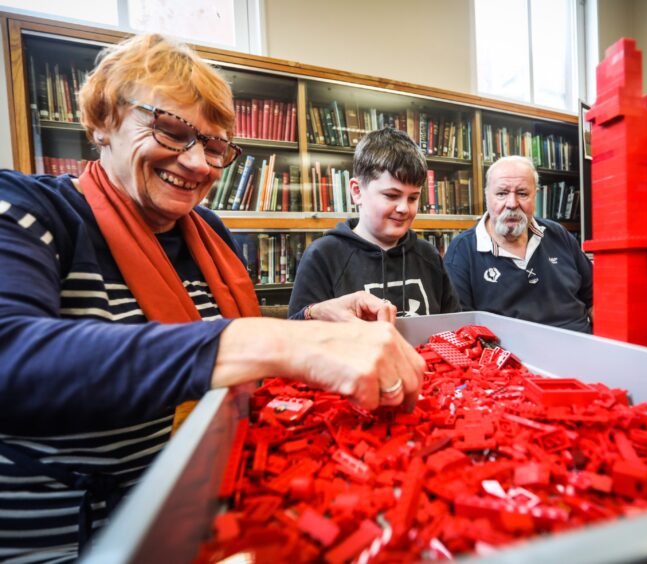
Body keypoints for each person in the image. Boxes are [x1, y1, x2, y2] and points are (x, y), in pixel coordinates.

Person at [0, 34, 424, 561]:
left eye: (216, 146)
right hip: (72, 541)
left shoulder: (207, 232)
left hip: (211, 512)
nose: (198, 163)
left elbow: (228, 346)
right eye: (171, 130)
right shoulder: (28, 210)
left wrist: (310, 319)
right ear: (103, 121)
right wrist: (273, 340)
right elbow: (11, 355)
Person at [288, 127, 460, 318]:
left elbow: (453, 326)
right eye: (391, 195)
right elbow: (295, 334)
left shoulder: (428, 255)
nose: (404, 208)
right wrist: (315, 313)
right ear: (357, 191)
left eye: (413, 198)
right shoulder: (323, 255)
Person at [443, 155, 593, 332]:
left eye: (522, 193)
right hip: (514, 357)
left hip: (581, 346)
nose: (512, 204)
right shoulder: (463, 251)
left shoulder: (558, 234)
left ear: (535, 195)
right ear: (487, 197)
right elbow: (463, 331)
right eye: (501, 193)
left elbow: (596, 301)